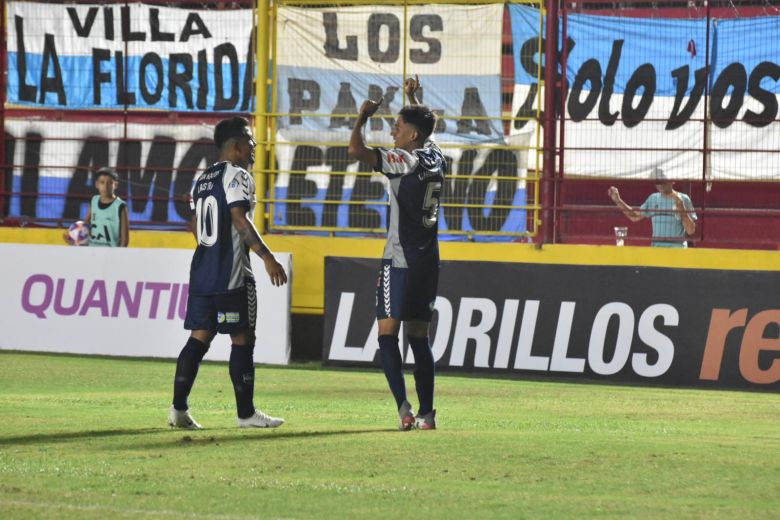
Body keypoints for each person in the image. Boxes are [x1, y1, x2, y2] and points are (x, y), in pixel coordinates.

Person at [168, 116, 289, 430]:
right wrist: (267, 257)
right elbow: (239, 219)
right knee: (243, 338)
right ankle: (245, 413)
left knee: (198, 338)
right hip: (232, 274)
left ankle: (178, 410)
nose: (254, 146)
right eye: (249, 140)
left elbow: (195, 224)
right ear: (235, 146)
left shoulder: (204, 178)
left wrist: (211, 250)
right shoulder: (238, 175)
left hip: (203, 272)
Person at [348, 75, 445, 430]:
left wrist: (362, 118)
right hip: (428, 262)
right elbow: (429, 131)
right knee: (419, 338)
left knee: (387, 335)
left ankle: (404, 409)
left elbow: (356, 151)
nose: (393, 131)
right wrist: (414, 97)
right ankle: (428, 414)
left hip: (400, 261)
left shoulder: (404, 161)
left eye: (398, 126)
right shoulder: (436, 155)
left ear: (411, 136)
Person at [607, 168, 697, 248]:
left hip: (678, 251)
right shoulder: (653, 199)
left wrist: (682, 210)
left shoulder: (683, 199)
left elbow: (691, 231)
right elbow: (634, 216)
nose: (660, 184)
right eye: (657, 181)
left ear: (672, 180)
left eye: (663, 180)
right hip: (656, 251)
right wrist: (618, 201)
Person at [63, 167, 129, 247]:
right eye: (102, 182)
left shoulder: (121, 206)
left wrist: (118, 256)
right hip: (92, 251)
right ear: (97, 184)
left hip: (110, 254)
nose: (105, 186)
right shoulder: (94, 200)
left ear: (116, 185)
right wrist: (75, 239)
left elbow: (125, 239)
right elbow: (86, 225)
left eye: (110, 183)